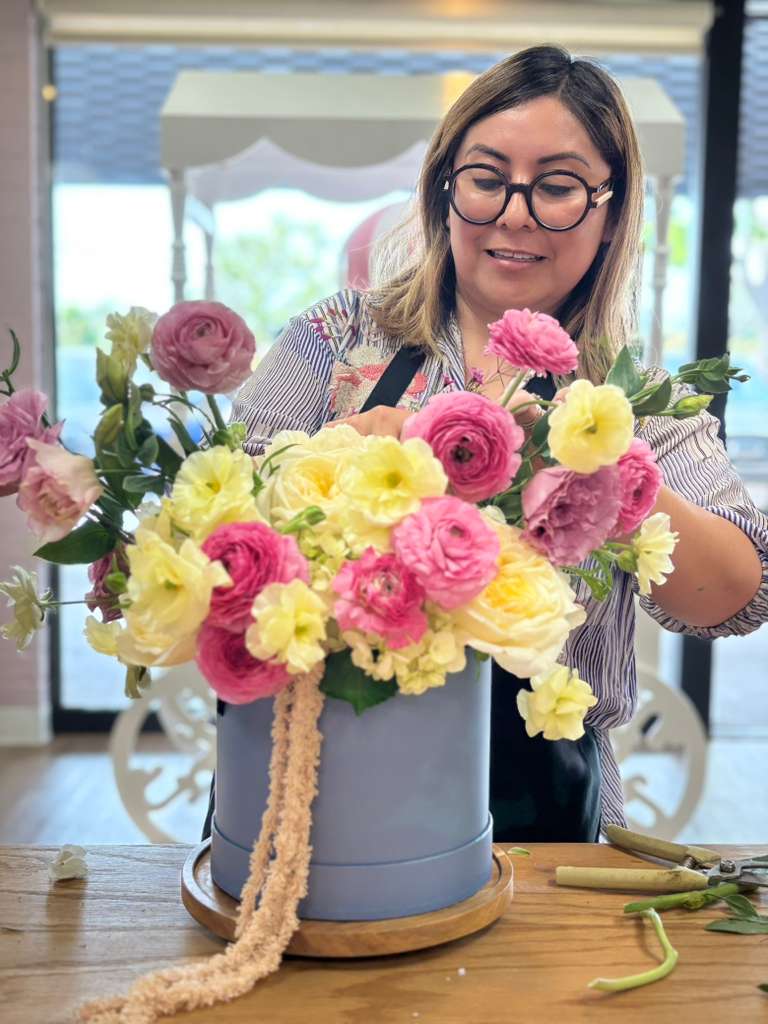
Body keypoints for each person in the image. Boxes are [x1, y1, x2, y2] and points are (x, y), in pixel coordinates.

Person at [227, 44, 768, 839]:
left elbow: (737, 594)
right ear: (445, 189)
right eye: (486, 179)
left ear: (611, 209)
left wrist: (602, 463)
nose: (515, 213)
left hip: (548, 811)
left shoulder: (638, 397)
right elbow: (221, 530)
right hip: (322, 790)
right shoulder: (336, 337)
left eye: (557, 186)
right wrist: (349, 456)